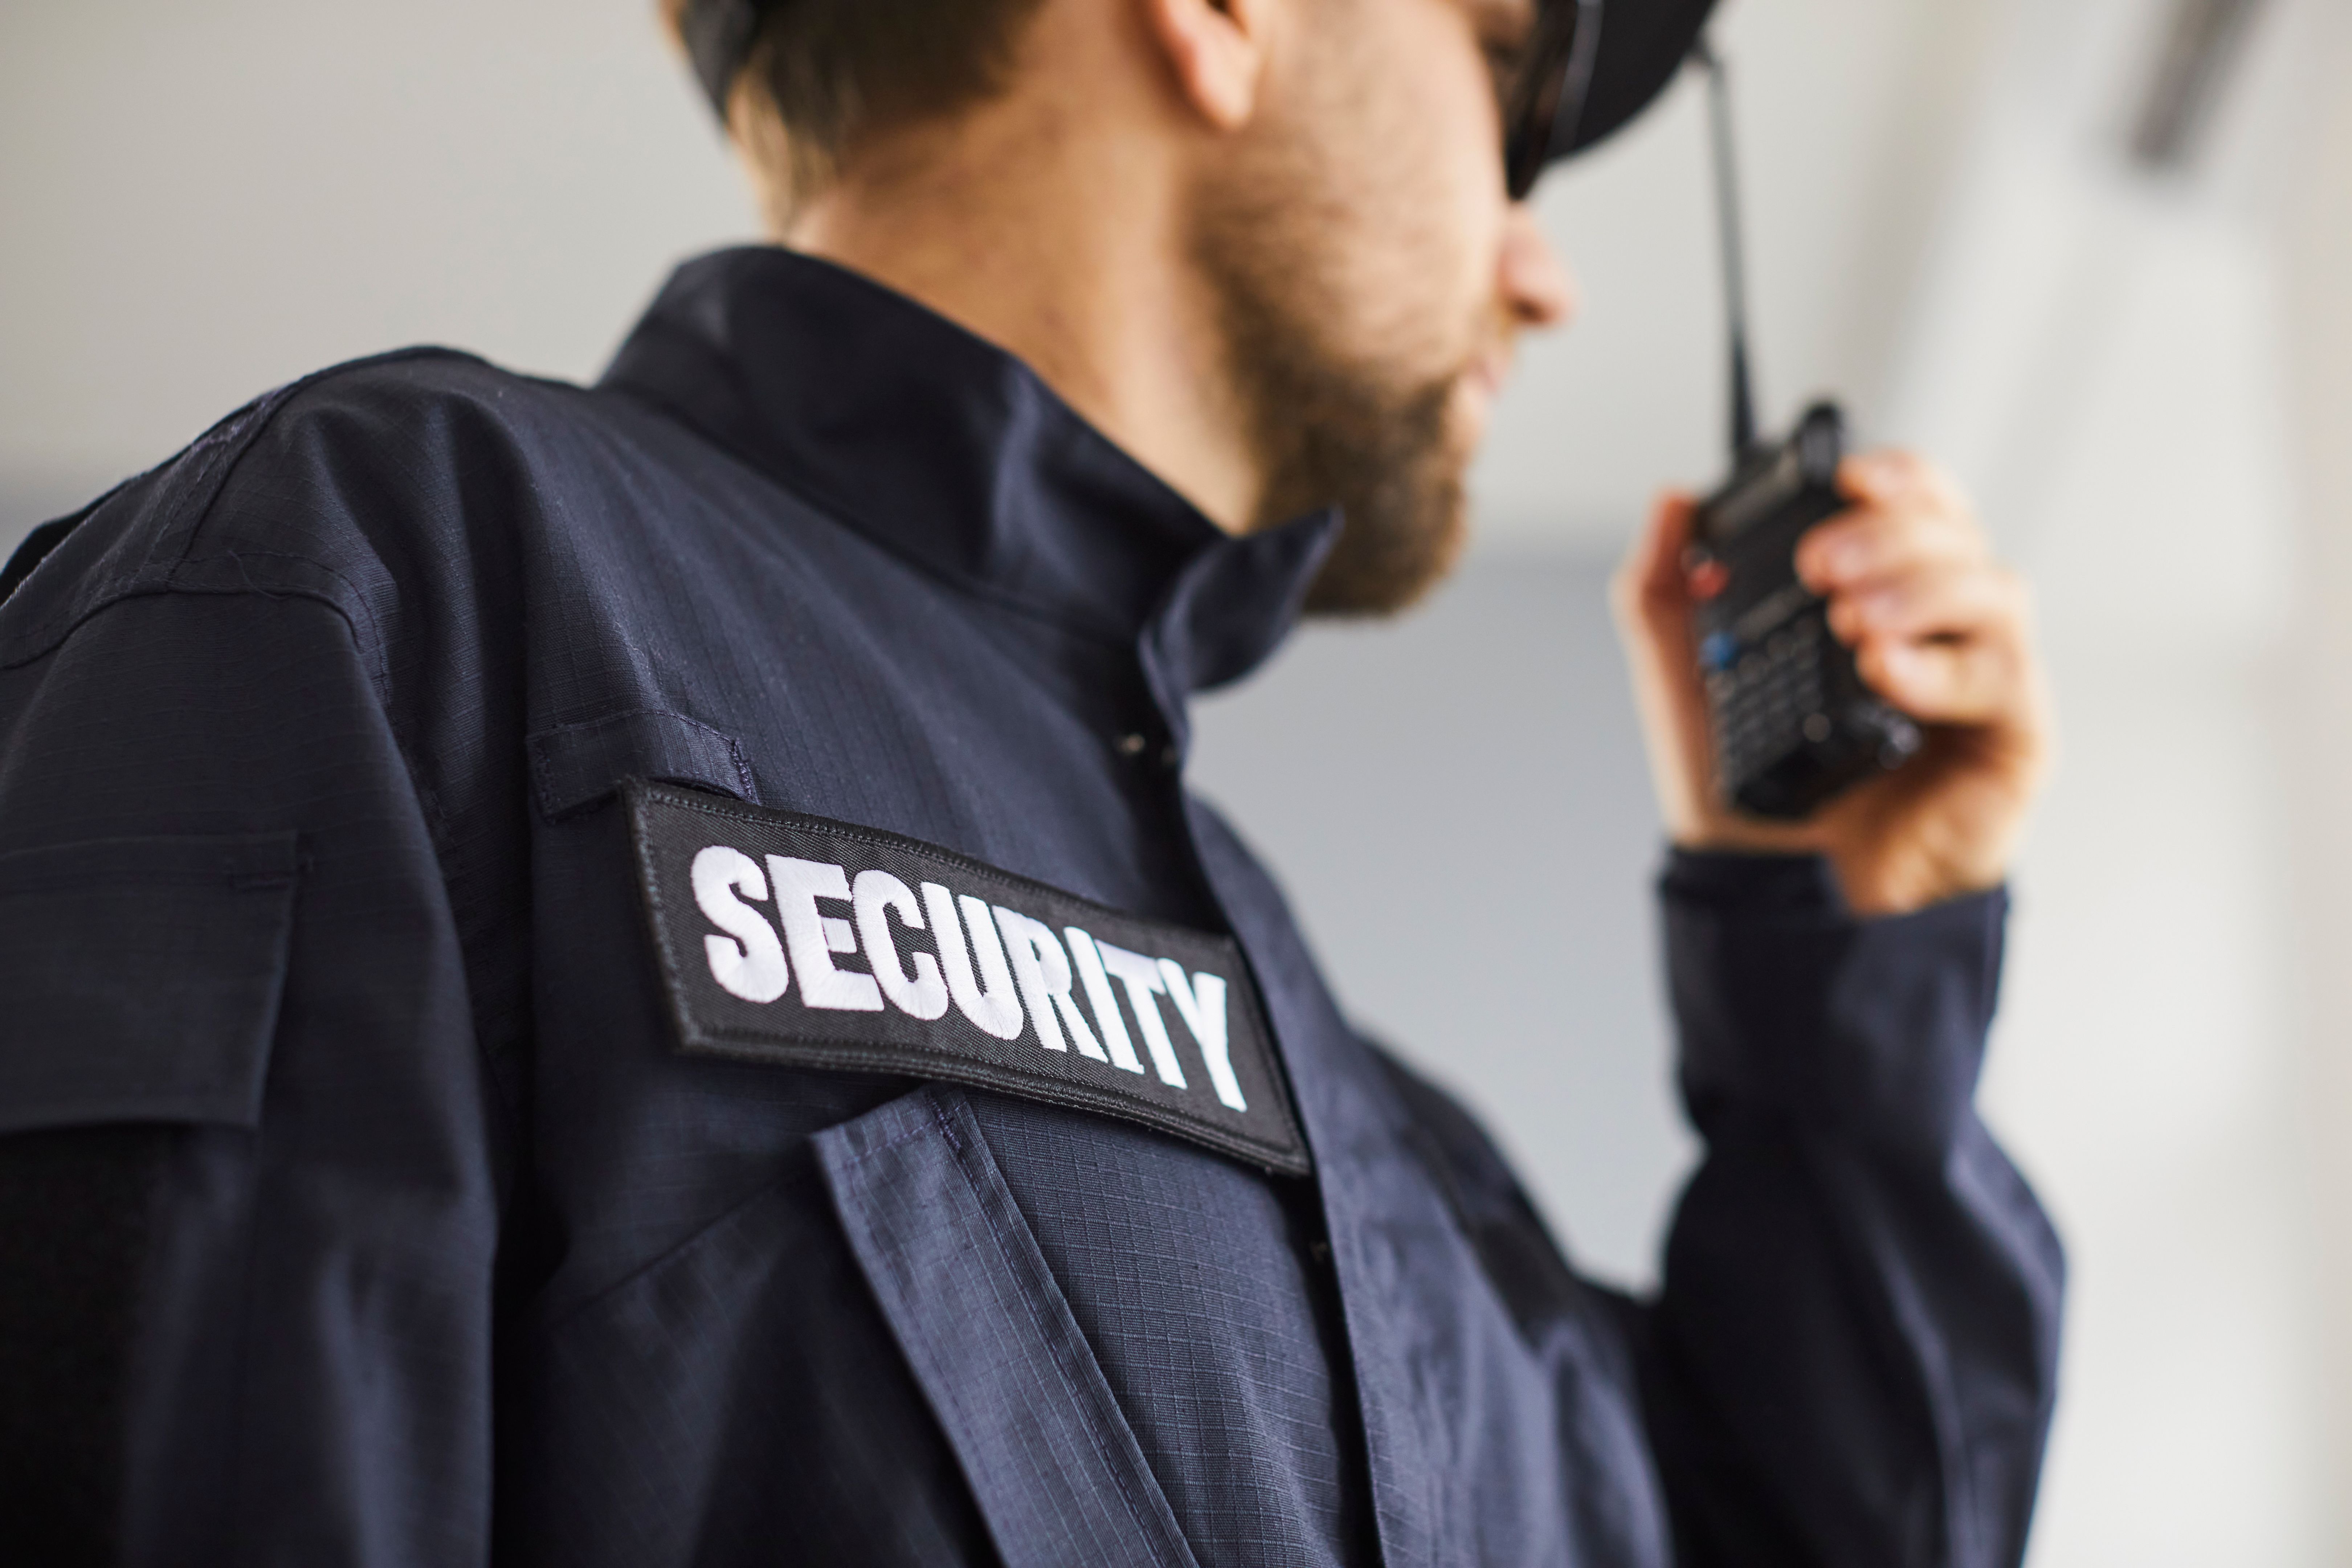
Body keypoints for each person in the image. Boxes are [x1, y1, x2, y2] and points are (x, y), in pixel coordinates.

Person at [0, 0, 2062, 1562]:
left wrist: (1844, 964)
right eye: (1509, 92)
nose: (1544, 272)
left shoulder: (1389, 1155)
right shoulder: (390, 583)